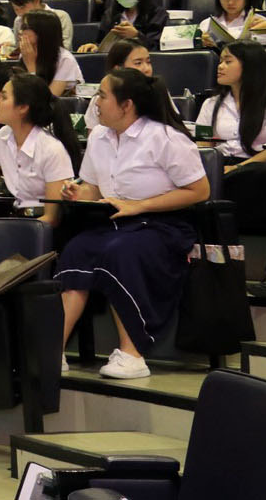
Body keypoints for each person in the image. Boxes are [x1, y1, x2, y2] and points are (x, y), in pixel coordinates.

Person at [56, 69, 208, 379]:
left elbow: (199, 191)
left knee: (120, 252)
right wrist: (77, 191)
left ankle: (132, 353)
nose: (95, 102)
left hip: (164, 226)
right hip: (116, 221)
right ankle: (53, 349)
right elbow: (94, 188)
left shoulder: (165, 138)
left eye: (102, 95)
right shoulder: (99, 135)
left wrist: (139, 206)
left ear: (126, 105)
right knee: (76, 250)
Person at [195, 41, 266, 233]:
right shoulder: (210, 104)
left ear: (249, 66)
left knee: (262, 174)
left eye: (227, 61)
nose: (220, 66)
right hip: (220, 165)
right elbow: (202, 145)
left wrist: (238, 167)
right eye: (220, 61)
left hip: (256, 165)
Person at [0, 73, 80, 220]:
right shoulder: (2, 136)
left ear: (22, 108)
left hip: (41, 227)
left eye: (4, 97)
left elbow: (52, 219)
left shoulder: (52, 149)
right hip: (15, 218)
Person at [78, 0, 168, 52]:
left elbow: (157, 47)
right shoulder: (110, 14)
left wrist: (137, 36)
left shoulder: (157, 14)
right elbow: (102, 42)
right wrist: (95, 47)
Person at [19, 9, 84, 96]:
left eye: (24, 27)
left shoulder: (65, 59)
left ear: (42, 31)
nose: (20, 32)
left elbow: (48, 99)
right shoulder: (26, 52)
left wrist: (31, 67)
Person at [9, 0, 74, 52]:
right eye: (16, 9)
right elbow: (20, 49)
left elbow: (64, 48)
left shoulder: (60, 16)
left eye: (23, 7)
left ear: (36, 0)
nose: (20, 13)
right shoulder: (18, 20)